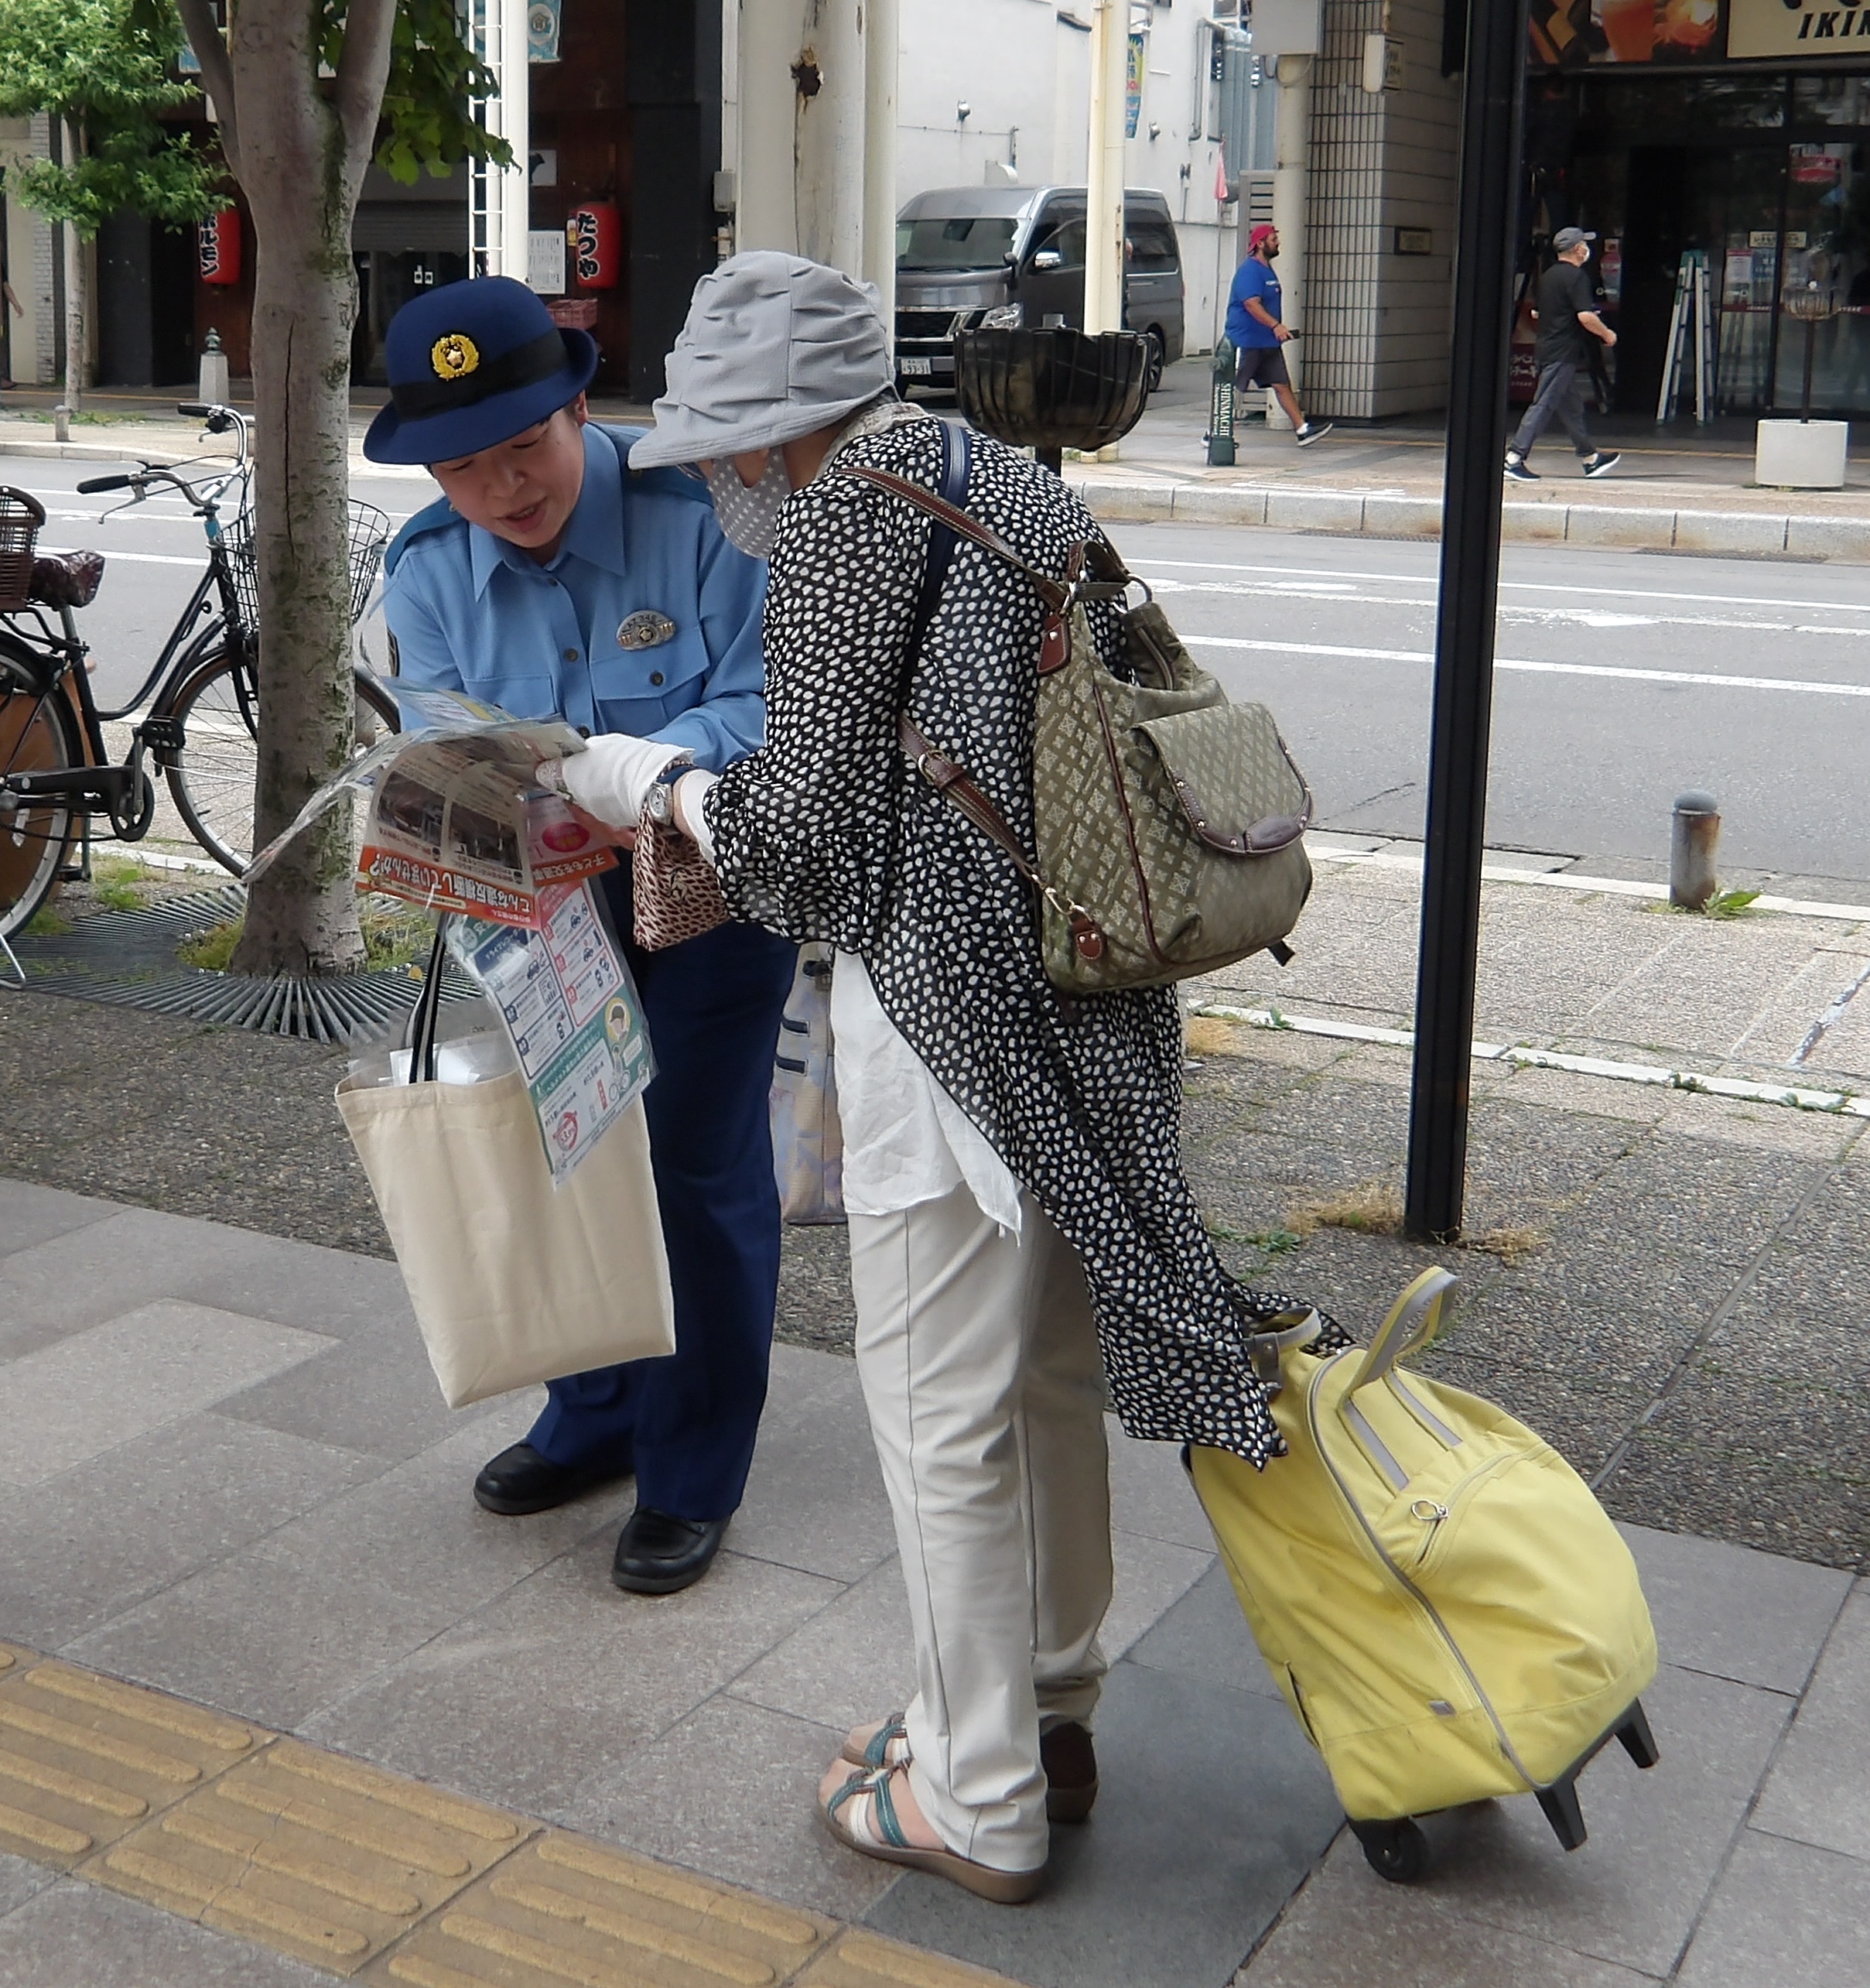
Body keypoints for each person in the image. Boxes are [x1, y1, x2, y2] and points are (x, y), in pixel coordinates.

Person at [551, 250, 1318, 1903]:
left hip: (951, 1029)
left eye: (724, 454)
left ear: (768, 436)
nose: (721, 489)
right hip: (1088, 998)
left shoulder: (840, 519)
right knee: (1042, 1377)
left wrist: (649, 778)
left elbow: (797, 843)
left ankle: (976, 1796)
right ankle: (1050, 1712)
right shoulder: (997, 477)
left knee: (937, 1418)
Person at [372, 275, 797, 1596]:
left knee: (690, 1161)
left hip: (714, 879)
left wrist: (632, 779)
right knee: (576, 1143)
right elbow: (442, 735)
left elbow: (760, 699)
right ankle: (594, 1412)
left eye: (525, 445)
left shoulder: (705, 517)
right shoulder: (427, 571)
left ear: (578, 405)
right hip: (552, 900)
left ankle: (691, 1465)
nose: (504, 487)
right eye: (464, 464)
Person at [1506, 227, 1623, 481]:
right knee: (1544, 403)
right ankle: (1514, 457)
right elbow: (1584, 316)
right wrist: (1607, 334)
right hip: (1563, 351)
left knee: (1571, 407)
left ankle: (1590, 458)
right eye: (1584, 245)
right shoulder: (1576, 277)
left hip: (1547, 347)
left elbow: (1537, 312)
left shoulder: (1548, 276)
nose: (1586, 249)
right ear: (1578, 249)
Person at [1225, 222, 1329, 446]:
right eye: (1273, 239)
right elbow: (1252, 305)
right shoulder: (1249, 271)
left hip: (1267, 342)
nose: (1277, 242)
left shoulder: (1266, 270)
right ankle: (1216, 432)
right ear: (1260, 244)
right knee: (1233, 388)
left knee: (1281, 384)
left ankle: (1302, 429)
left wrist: (1275, 330)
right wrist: (1276, 326)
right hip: (1247, 341)